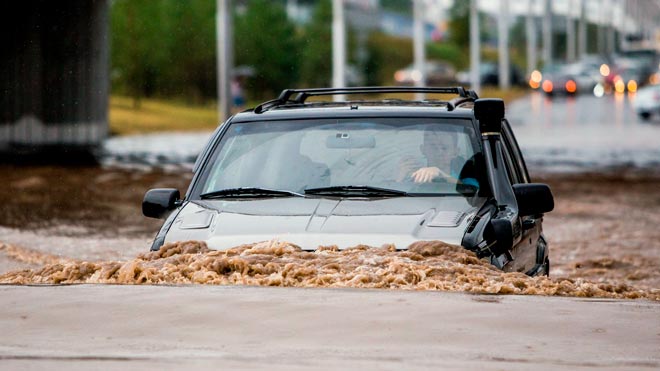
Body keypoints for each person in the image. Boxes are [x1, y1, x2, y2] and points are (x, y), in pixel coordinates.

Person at [399, 128, 479, 190]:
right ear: (423, 149)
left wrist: (442, 175)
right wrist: (400, 179)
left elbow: (475, 193)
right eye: (433, 147)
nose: (439, 152)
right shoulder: (414, 177)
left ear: (455, 152)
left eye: (444, 148)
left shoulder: (465, 177)